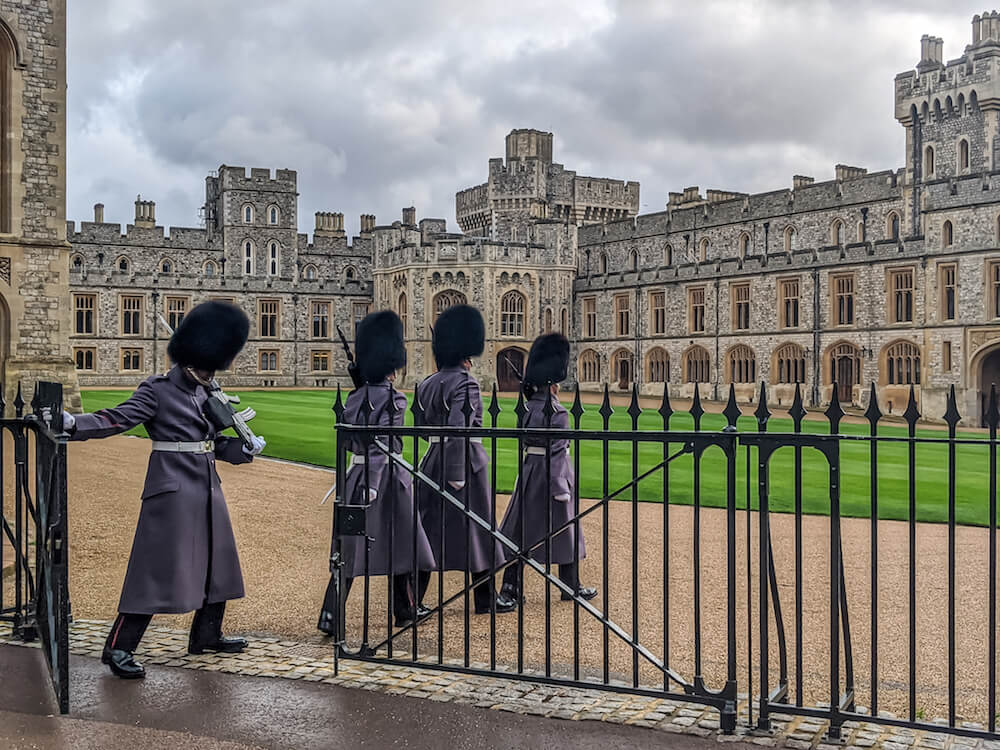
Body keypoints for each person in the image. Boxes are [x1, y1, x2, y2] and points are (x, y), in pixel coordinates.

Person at [59, 301, 265, 679]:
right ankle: (119, 648)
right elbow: (115, 419)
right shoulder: (157, 390)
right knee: (154, 571)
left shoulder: (207, 392)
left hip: (206, 489)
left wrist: (244, 450)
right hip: (172, 490)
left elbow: (214, 444)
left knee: (218, 563)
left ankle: (207, 635)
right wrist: (72, 424)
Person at [317, 310, 435, 634]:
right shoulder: (394, 399)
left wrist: (364, 480)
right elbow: (383, 445)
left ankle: (331, 614)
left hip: (356, 478)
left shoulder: (356, 398)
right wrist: (373, 482)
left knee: (350, 551)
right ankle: (406, 608)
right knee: (412, 547)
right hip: (388, 482)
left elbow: (351, 441)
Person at [416, 304, 517, 615]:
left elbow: (419, 426)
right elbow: (461, 426)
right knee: (479, 531)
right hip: (466, 463)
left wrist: (439, 448)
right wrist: (457, 471)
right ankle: (485, 601)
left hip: (433, 459)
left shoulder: (428, 383)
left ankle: (412, 599)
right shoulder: (466, 382)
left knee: (428, 531)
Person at [499, 333, 597, 603]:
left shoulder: (529, 407)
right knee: (566, 530)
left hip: (530, 471)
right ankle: (570, 586)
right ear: (554, 382)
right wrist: (560, 487)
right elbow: (557, 452)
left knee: (521, 531)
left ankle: (511, 587)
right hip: (553, 476)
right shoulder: (558, 412)